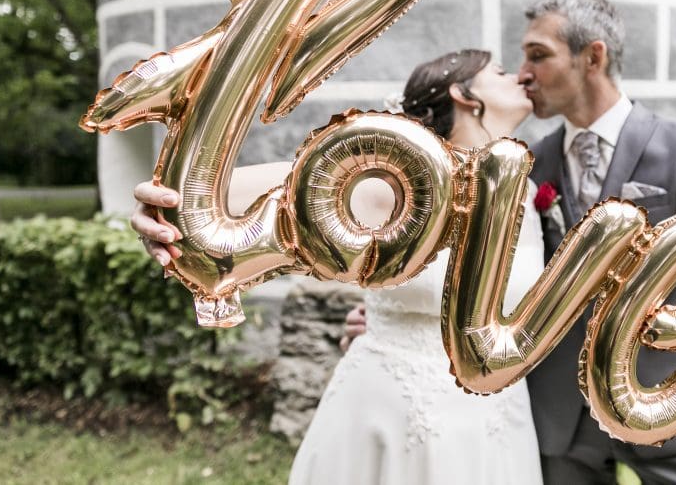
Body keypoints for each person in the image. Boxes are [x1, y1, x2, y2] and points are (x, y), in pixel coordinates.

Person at [342, 0, 676, 484]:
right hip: (558, 415)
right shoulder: (527, 161)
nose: (523, 72)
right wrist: (401, 321)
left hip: (664, 397)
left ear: (593, 57)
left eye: (538, 55)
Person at [131, 50, 546, 485]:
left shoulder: (525, 189)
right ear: (464, 94)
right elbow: (233, 191)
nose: (518, 76)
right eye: (500, 72)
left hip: (497, 414)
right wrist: (158, 203)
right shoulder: (404, 178)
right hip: (393, 407)